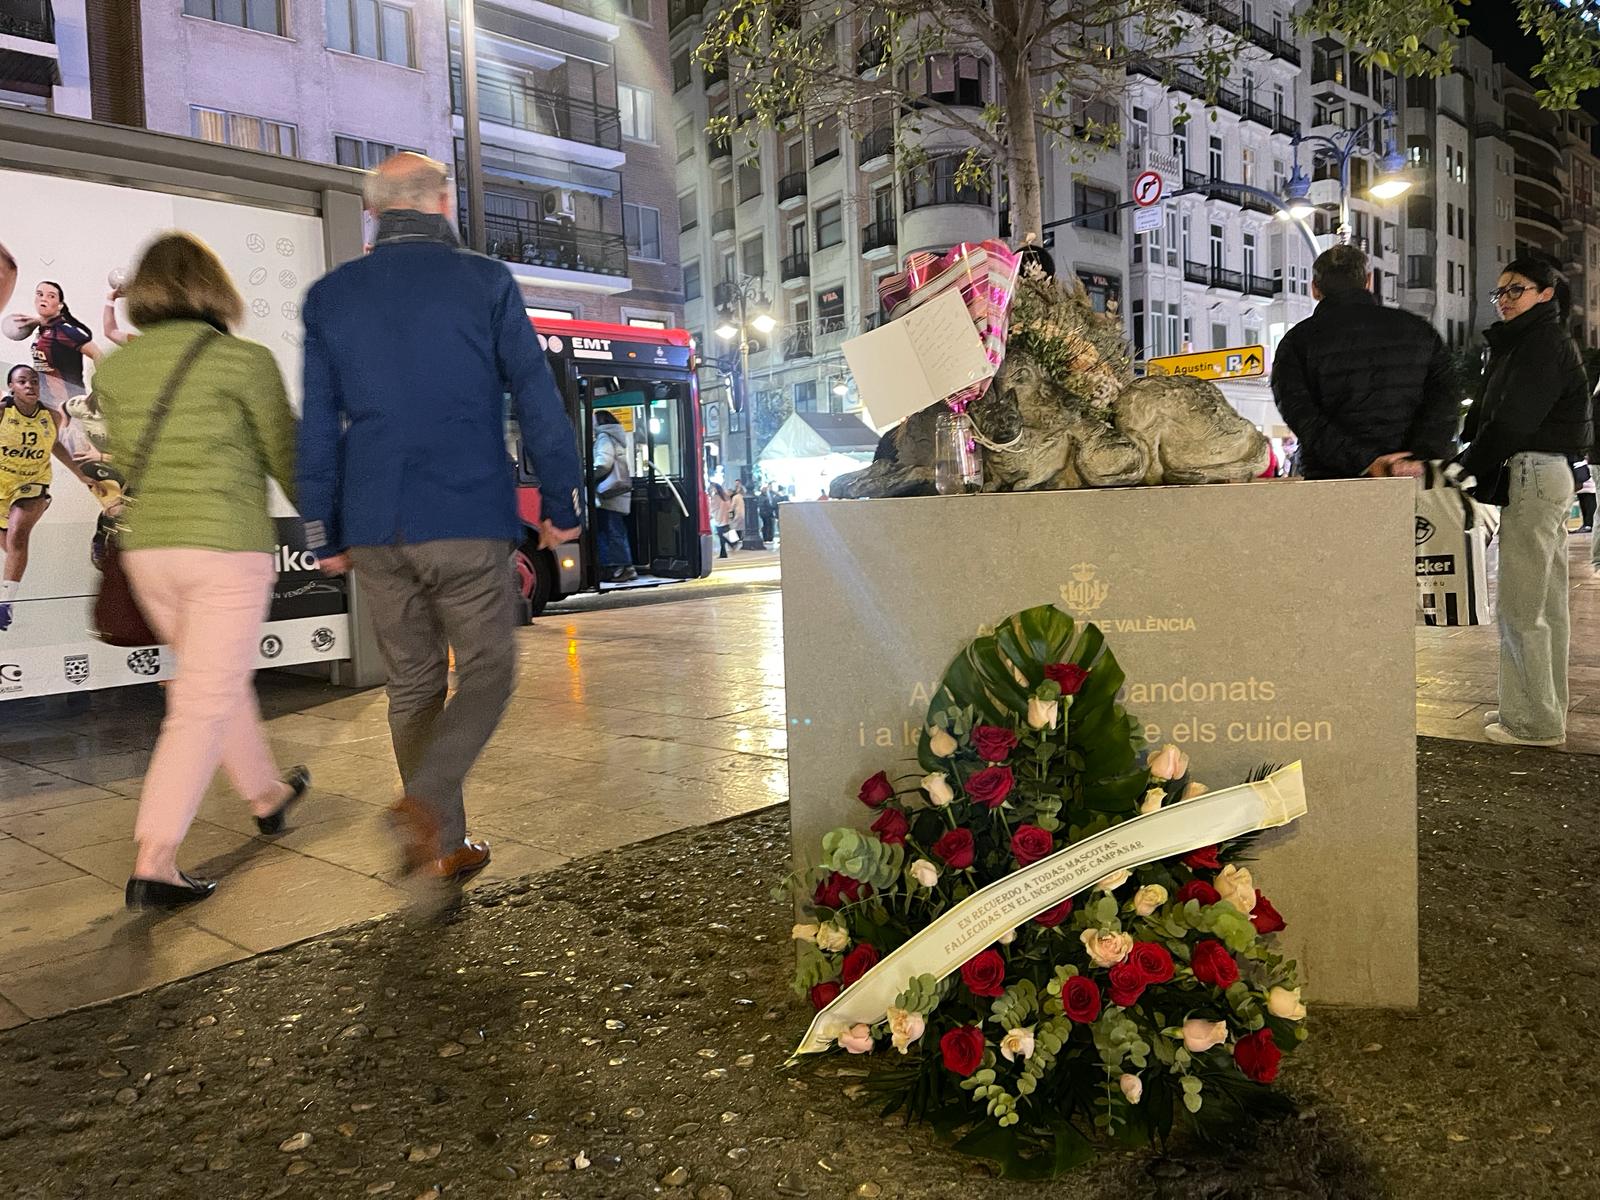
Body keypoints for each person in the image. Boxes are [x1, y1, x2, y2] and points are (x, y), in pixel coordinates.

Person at [297, 153, 583, 883]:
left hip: (373, 522)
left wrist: (321, 530)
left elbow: (317, 425)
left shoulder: (332, 296)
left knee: (414, 684)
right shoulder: (484, 282)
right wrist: (561, 504)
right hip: (463, 510)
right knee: (488, 670)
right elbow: (535, 397)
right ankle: (424, 806)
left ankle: (442, 845)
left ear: (375, 210)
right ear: (438, 200)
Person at [91, 233, 309, 909]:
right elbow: (288, 458)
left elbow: (117, 460)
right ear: (213, 287)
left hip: (149, 552)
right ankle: (155, 858)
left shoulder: (115, 371)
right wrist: (333, 529)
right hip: (225, 549)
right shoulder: (244, 361)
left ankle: (267, 795)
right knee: (201, 702)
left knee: (211, 684)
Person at [1460, 255, 1592, 747]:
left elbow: (1512, 420)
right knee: (1545, 604)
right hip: (1546, 472)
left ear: (1545, 293)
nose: (1505, 300)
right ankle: (1542, 711)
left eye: (1516, 289)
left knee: (1522, 606)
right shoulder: (1539, 341)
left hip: (1533, 471)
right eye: (1500, 292)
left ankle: (1532, 723)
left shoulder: (1539, 344)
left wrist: (1466, 467)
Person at [1271, 244, 1460, 479]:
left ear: (1315, 289)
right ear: (1368, 281)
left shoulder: (1296, 343)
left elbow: (1300, 414)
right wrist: (1413, 458)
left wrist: (1366, 462)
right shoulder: (1420, 332)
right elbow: (1445, 400)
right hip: (1409, 478)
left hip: (1331, 478)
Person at [0, 365, 95, 631]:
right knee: (10, 546)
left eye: (33, 381)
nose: (30, 385)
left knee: (18, 534)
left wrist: (81, 475)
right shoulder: (3, 413)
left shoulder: (51, 416)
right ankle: (27, 581)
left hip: (33, 483)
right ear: (12, 388)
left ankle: (5, 603)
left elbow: (55, 445)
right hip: (2, 484)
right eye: (22, 381)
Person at [592, 409, 635, 582]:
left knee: (610, 531)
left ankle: (619, 567)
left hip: (608, 494)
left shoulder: (604, 437)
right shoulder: (616, 436)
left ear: (600, 422)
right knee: (616, 530)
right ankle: (624, 566)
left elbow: (603, 463)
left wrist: (587, 474)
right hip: (617, 493)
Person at [709, 483, 734, 558]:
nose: (711, 489)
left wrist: (710, 515)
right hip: (725, 518)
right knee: (725, 533)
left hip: (719, 518)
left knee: (721, 536)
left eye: (712, 488)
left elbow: (712, 508)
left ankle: (732, 544)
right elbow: (730, 507)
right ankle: (724, 552)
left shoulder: (715, 497)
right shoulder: (725, 496)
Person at [728, 480, 747, 550]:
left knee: (733, 528)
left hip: (737, 515)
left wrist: (730, 516)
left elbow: (731, 508)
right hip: (744, 516)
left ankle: (733, 543)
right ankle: (738, 541)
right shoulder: (745, 497)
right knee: (741, 529)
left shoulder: (735, 497)